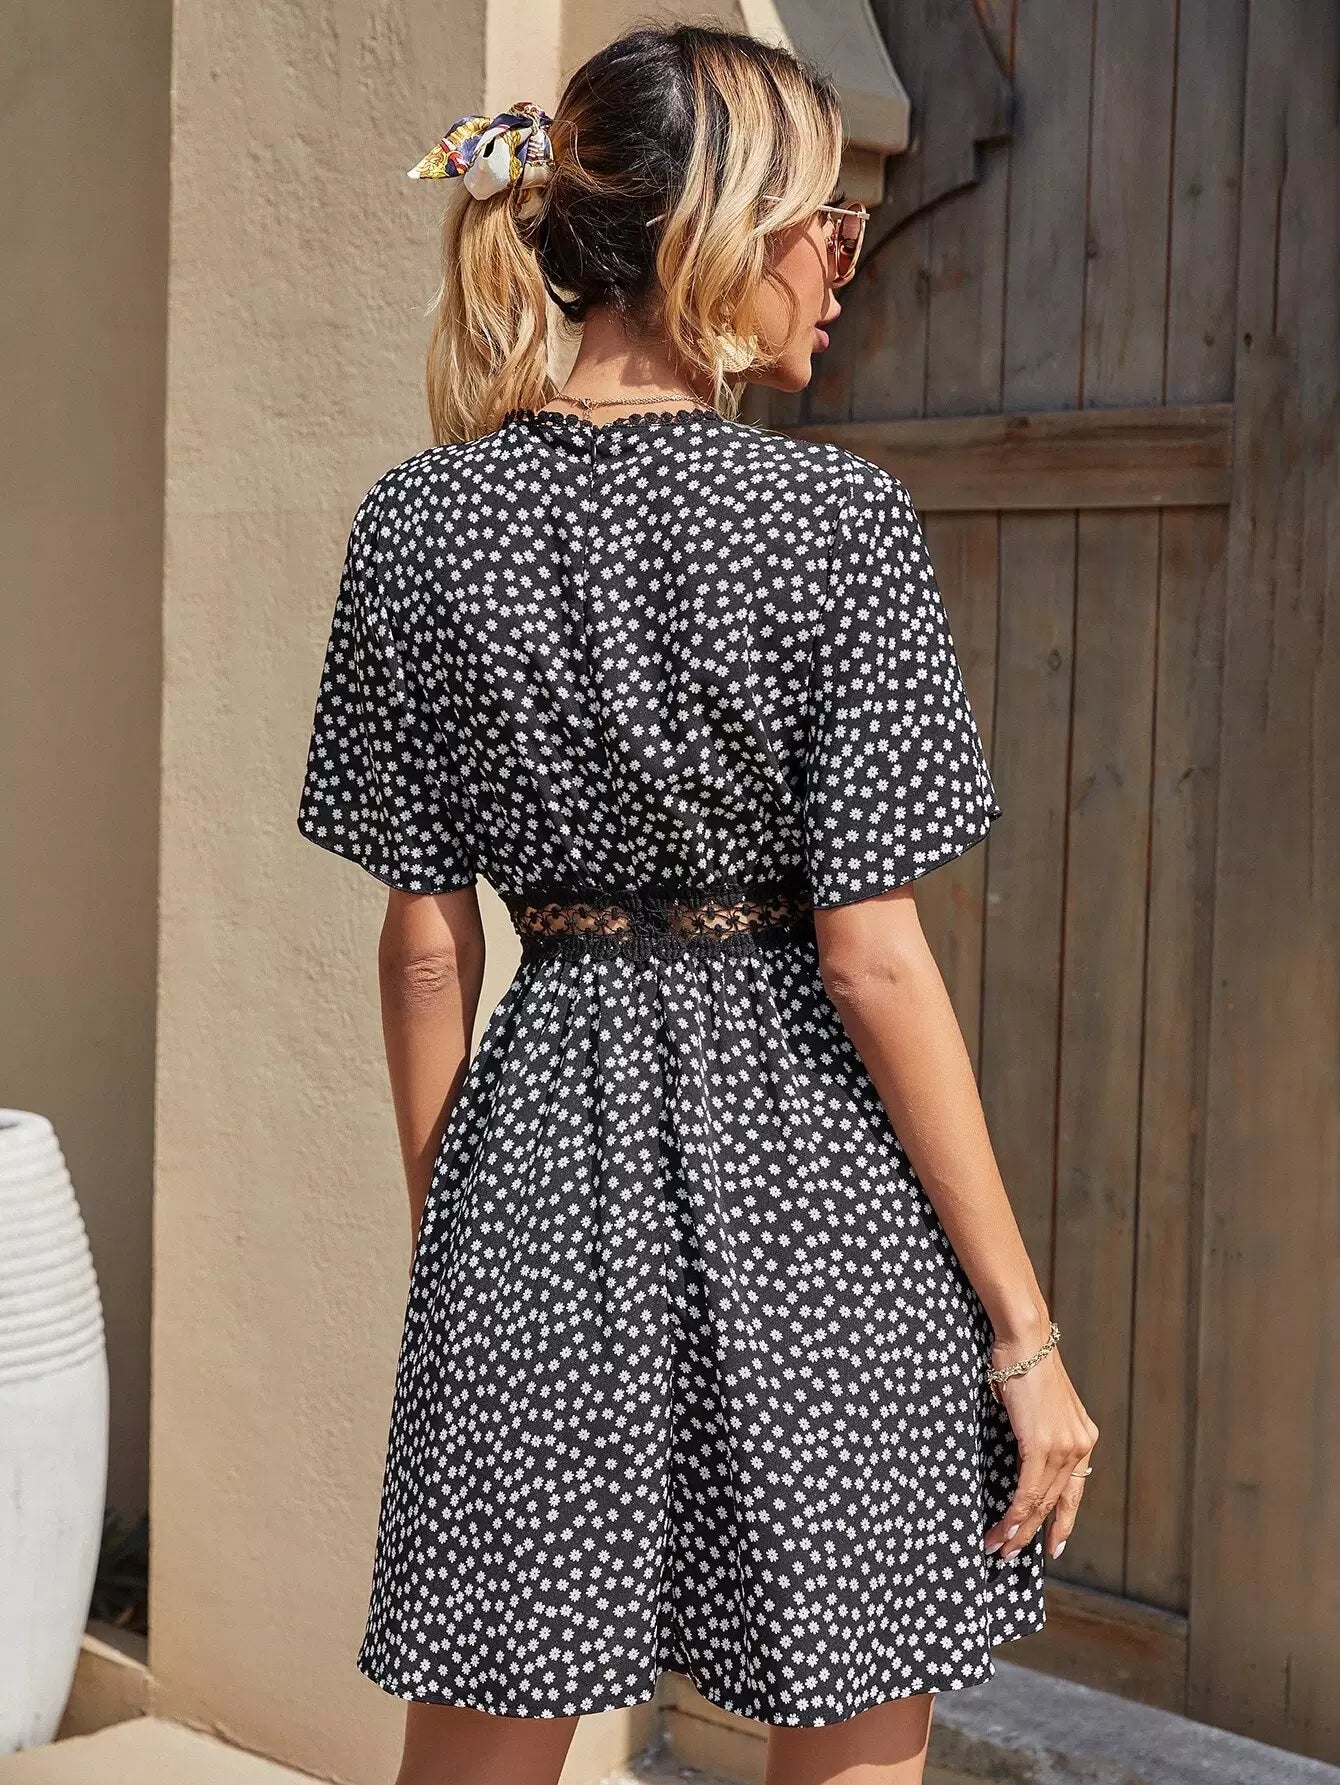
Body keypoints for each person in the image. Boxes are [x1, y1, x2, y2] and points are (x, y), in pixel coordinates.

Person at [296, 22, 1099, 1785]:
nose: (843, 263)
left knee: (491, 1720)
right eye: (830, 223)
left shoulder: (416, 524)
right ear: (723, 233)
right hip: (818, 1196)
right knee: (847, 1702)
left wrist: (461, 1242)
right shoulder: (838, 521)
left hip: (536, 1168)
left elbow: (426, 949)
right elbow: (874, 961)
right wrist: (1023, 1333)